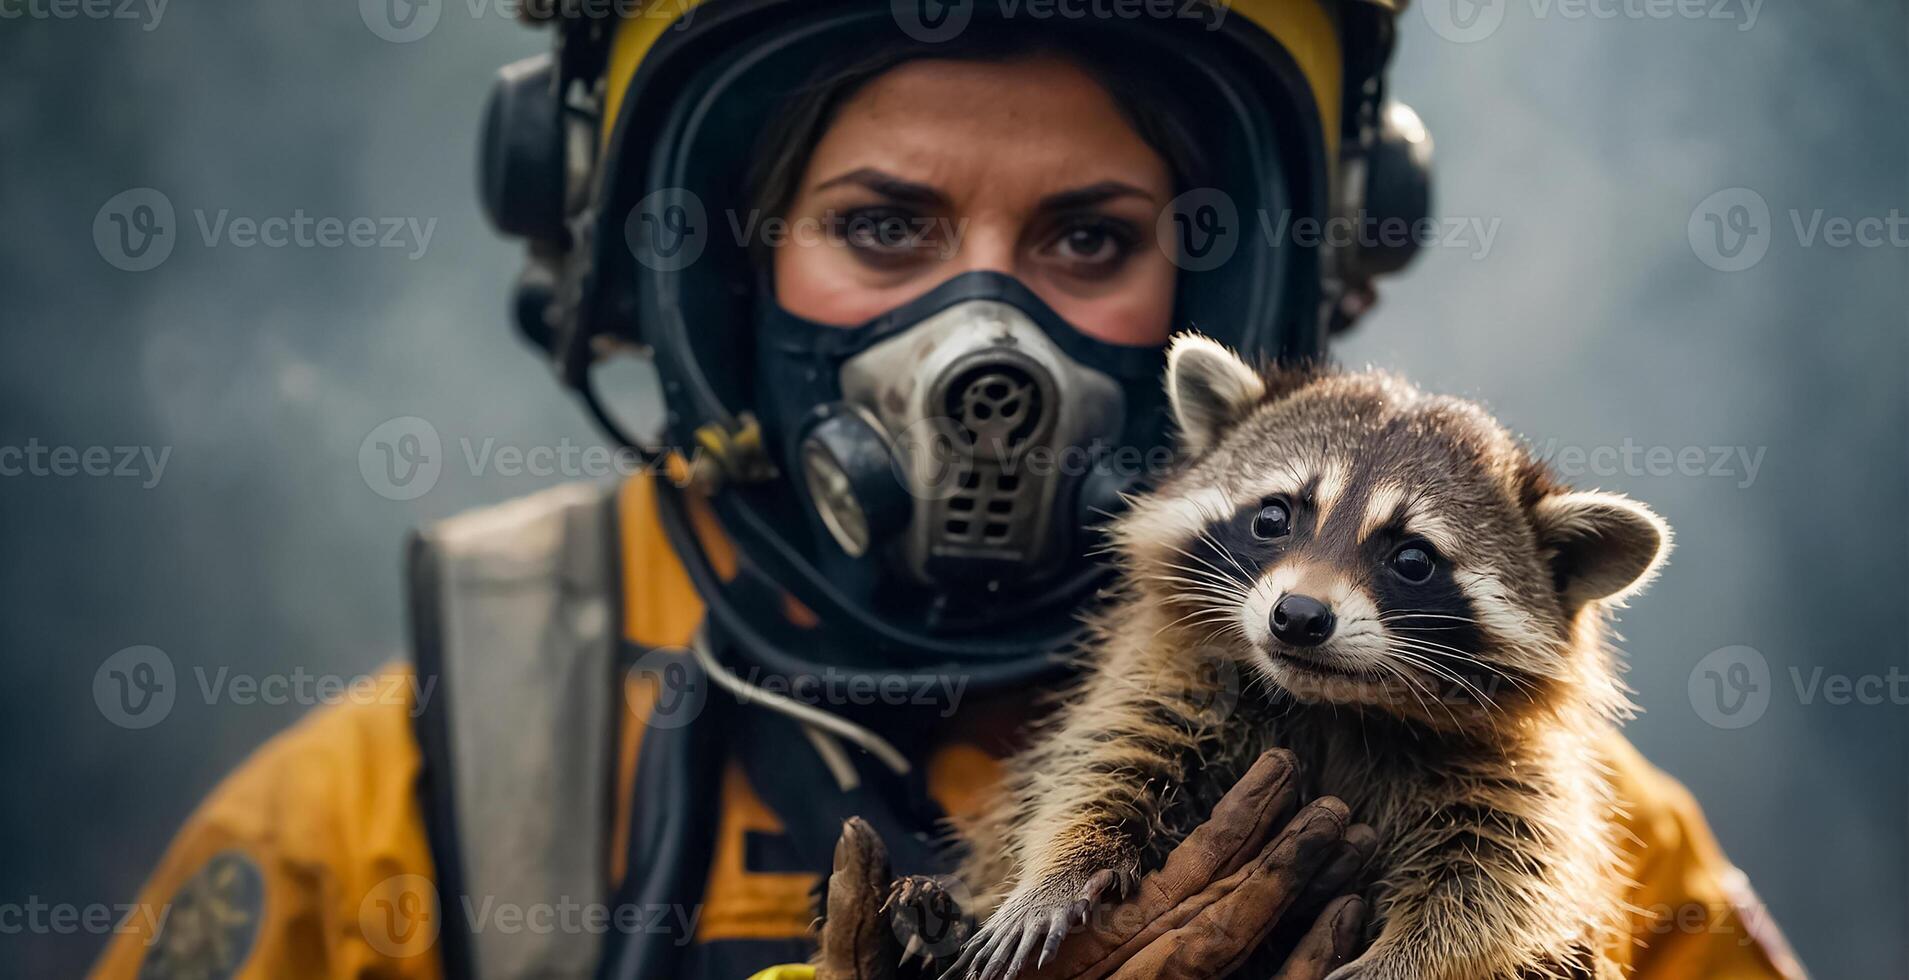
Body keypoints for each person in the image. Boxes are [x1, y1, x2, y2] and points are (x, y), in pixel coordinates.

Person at [93, 2, 1805, 978]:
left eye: (1087, 237)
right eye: (884, 226)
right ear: (707, 272)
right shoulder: (382, 810)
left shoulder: (1591, 836)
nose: (983, 337)